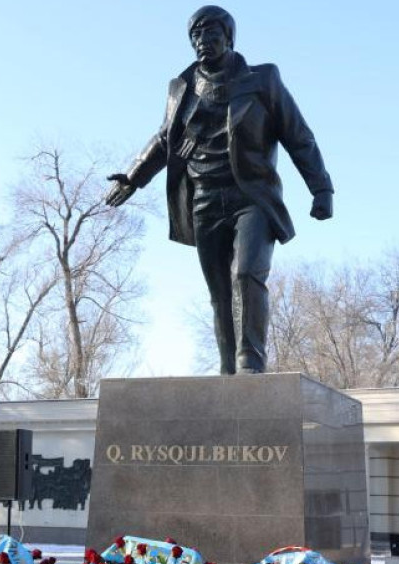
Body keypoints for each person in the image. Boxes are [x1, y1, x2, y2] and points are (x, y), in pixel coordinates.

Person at [104, 5, 333, 375]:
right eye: (196, 35)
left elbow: (298, 136)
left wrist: (321, 189)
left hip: (251, 197)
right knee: (219, 293)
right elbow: (165, 139)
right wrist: (132, 176)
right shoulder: (181, 87)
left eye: (211, 34)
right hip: (204, 198)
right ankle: (228, 371)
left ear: (228, 37)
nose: (202, 42)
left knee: (246, 274)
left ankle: (250, 364)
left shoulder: (263, 80)